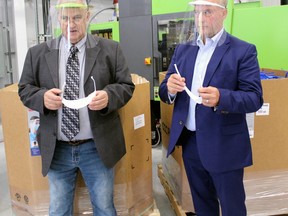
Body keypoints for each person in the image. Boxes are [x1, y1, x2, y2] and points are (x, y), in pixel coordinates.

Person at [18, 0, 135, 215]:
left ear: (88, 16)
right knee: (59, 210)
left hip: (97, 148)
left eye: (77, 17)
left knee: (104, 207)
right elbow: (24, 89)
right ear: (58, 19)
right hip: (57, 148)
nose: (70, 24)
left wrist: (109, 96)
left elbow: (127, 86)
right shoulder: (38, 53)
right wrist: (42, 97)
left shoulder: (110, 49)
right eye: (65, 18)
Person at [159, 0, 263, 215]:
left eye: (207, 12)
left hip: (224, 145)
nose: (200, 18)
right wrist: (169, 88)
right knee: (202, 206)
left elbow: (254, 98)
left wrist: (221, 97)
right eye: (197, 12)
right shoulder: (183, 49)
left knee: (232, 208)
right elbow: (164, 90)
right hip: (191, 143)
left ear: (224, 13)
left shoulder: (243, 51)